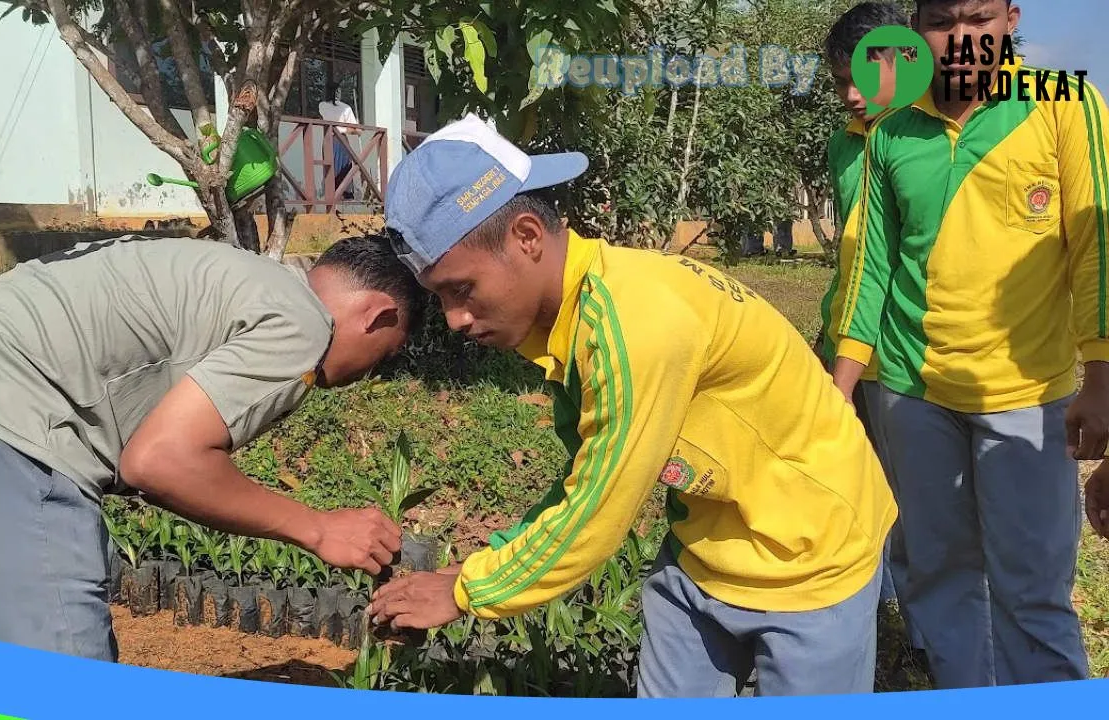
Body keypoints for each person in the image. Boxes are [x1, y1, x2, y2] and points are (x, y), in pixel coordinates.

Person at [366, 115, 897, 697]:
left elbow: (598, 508)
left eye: (462, 290)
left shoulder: (632, 327)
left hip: (811, 556)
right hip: (705, 548)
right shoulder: (575, 314)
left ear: (526, 236)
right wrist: (481, 566)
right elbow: (583, 474)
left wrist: (469, 590)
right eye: (440, 296)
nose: (455, 319)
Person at [0, 234, 422, 662]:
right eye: (382, 357)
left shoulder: (243, 280)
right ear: (376, 315)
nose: (366, 376)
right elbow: (160, 462)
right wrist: (320, 527)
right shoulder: (304, 321)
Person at [832, 0, 1107, 687]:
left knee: (1033, 594)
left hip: (1027, 394)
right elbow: (870, 267)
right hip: (909, 392)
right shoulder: (892, 123)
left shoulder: (1064, 102)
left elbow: (1096, 247)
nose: (960, 39)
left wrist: (1101, 377)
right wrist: (839, 391)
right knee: (940, 582)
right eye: (940, 19)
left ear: (1010, 18)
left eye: (978, 18)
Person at [819, 0, 924, 653]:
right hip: (844, 346)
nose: (851, 93)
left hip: (905, 356)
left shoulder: (925, 139)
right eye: (838, 81)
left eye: (864, 74)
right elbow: (857, 258)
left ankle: (920, 633)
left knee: (912, 501)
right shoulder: (842, 146)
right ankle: (878, 615)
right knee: (851, 485)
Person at [319, 82, 361, 200]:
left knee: (334, 167)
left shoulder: (322, 105)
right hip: (340, 139)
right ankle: (342, 193)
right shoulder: (345, 108)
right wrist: (355, 127)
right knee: (340, 167)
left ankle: (332, 194)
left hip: (331, 139)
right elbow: (356, 130)